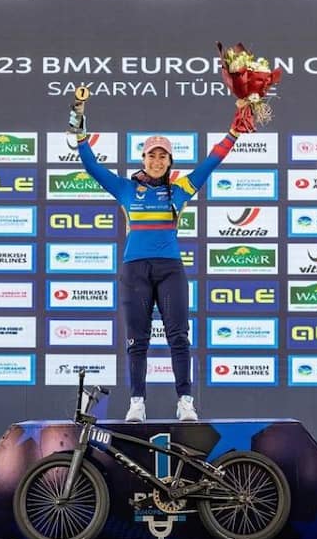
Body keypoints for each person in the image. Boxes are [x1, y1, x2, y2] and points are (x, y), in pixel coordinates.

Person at [74, 106, 244, 422]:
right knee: (137, 341)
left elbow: (212, 161)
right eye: (152, 156)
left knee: (178, 337)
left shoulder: (179, 189)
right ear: (143, 159)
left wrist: (233, 132)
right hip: (134, 270)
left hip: (170, 270)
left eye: (162, 156)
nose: (156, 161)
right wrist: (80, 131)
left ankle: (185, 403)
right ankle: (136, 402)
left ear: (169, 161)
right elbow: (92, 166)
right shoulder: (125, 187)